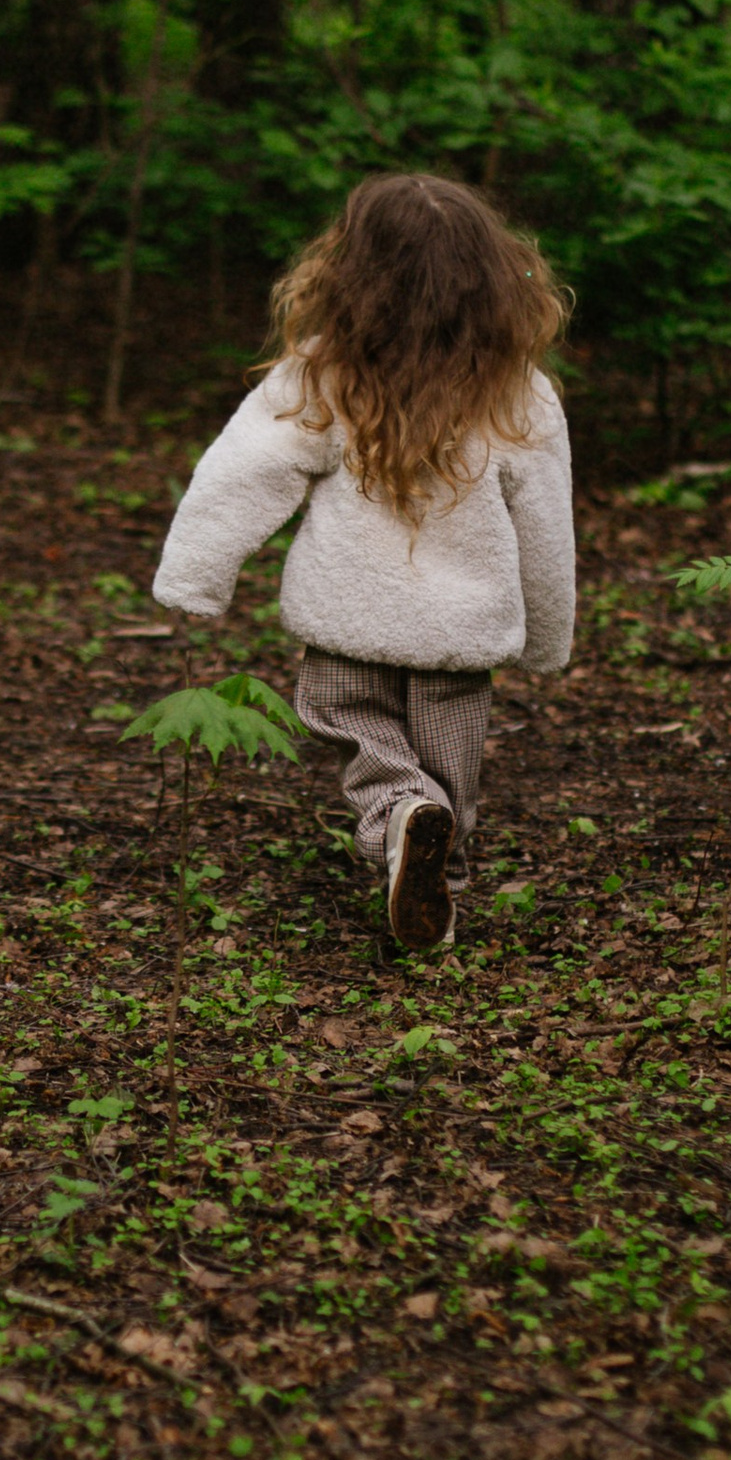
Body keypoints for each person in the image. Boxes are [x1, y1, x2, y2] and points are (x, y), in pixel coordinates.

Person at [153, 173, 576, 951]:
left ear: (352, 273)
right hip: (461, 633)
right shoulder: (521, 391)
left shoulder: (321, 371)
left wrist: (194, 577)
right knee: (452, 774)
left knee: (362, 741)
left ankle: (400, 821)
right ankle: (436, 884)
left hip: (348, 620)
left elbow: (241, 475)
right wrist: (549, 636)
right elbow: (547, 524)